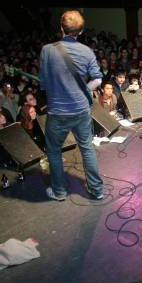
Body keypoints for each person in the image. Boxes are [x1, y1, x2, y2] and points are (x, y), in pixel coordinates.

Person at [39, 10, 104, 201]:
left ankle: (59, 192)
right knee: (86, 148)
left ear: (61, 28)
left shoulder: (47, 50)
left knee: (53, 150)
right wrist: (83, 88)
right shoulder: (87, 51)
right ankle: (97, 189)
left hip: (58, 112)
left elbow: (42, 83)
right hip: (81, 109)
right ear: (81, 32)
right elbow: (98, 80)